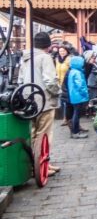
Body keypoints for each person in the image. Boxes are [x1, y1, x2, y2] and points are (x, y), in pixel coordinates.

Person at [18, 32, 61, 175]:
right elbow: (50, 81)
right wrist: (57, 92)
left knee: (32, 133)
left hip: (28, 101)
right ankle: (41, 165)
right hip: (44, 101)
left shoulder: (25, 58)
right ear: (48, 46)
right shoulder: (45, 57)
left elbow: (20, 80)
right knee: (44, 135)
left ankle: (36, 164)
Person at [66, 56, 89, 139]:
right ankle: (75, 132)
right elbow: (81, 86)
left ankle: (75, 131)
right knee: (77, 114)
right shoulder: (77, 73)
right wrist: (86, 95)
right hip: (79, 97)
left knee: (75, 113)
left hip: (73, 96)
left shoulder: (72, 71)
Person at [55, 45, 72, 127]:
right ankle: (64, 117)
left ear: (67, 51)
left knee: (66, 102)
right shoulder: (57, 60)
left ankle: (66, 118)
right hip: (59, 83)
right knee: (62, 102)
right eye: (60, 51)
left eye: (63, 51)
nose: (61, 52)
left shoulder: (69, 59)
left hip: (67, 83)